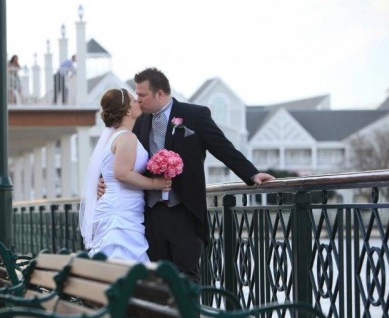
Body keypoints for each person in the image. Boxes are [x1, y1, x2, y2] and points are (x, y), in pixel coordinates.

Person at [100, 67, 274, 282]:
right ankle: (165, 316)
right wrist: (102, 181)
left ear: (160, 94)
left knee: (186, 278)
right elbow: (120, 157)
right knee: (156, 280)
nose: (138, 100)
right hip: (149, 214)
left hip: (185, 211)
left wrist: (252, 174)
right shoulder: (139, 122)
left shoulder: (195, 115)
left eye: (142, 95)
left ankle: (190, 316)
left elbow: (222, 147)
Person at [80, 88, 171, 262]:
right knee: (122, 259)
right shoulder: (126, 137)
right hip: (120, 213)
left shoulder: (114, 136)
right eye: (134, 100)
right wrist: (155, 184)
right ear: (128, 110)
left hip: (123, 208)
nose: (139, 101)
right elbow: (122, 173)